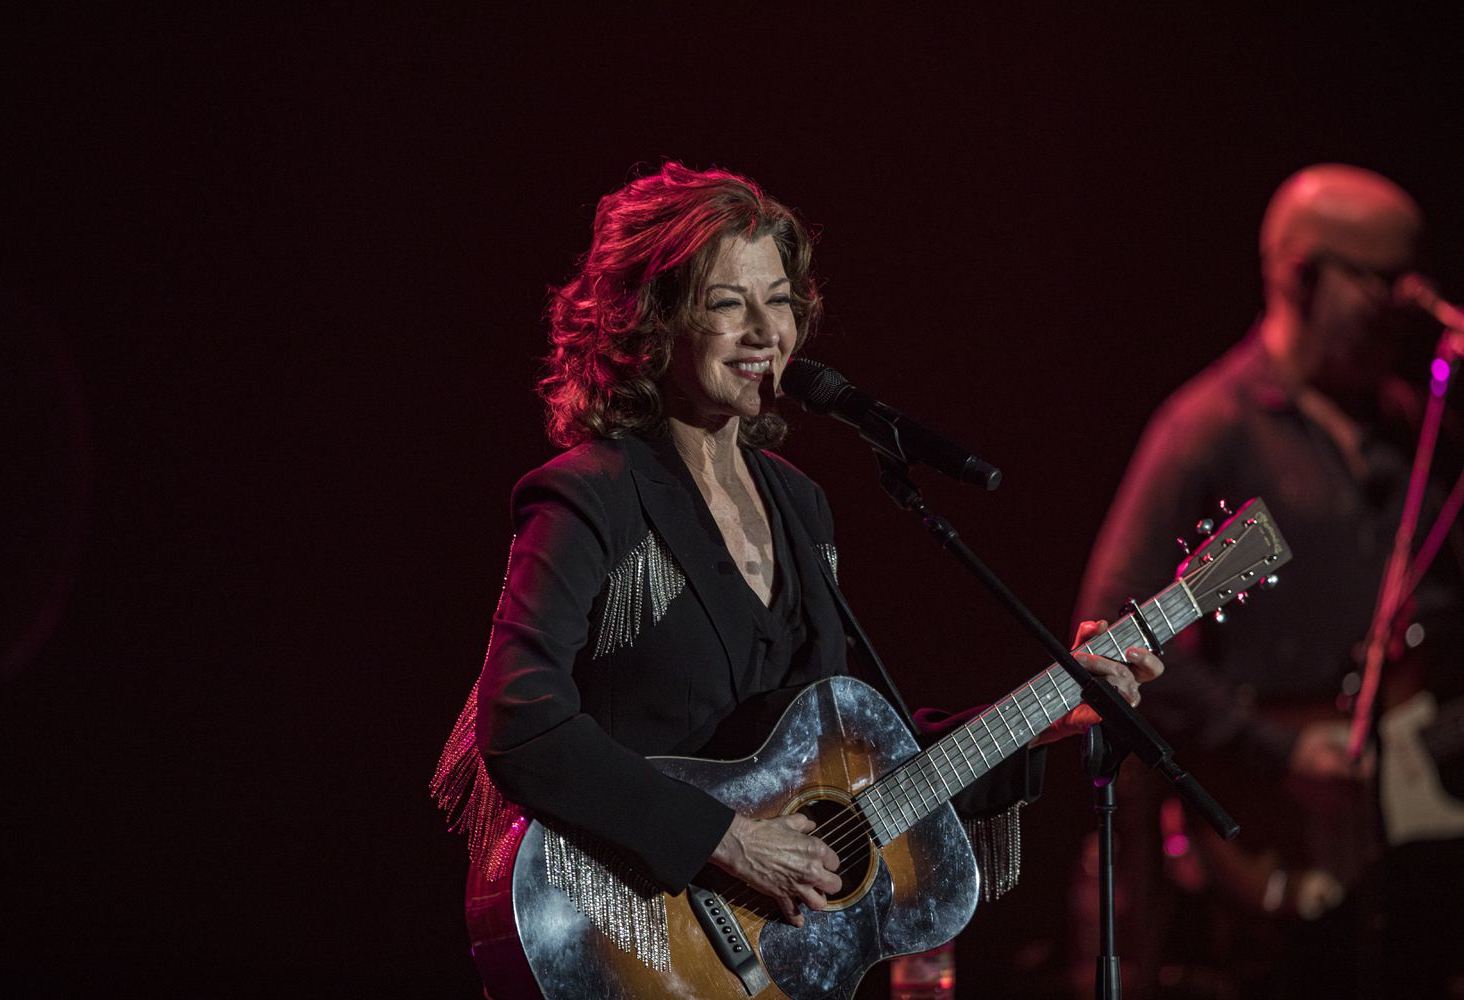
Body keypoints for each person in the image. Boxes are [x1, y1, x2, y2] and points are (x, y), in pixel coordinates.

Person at [430, 163, 1163, 973]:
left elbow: (854, 775)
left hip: (769, 965)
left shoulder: (801, 507)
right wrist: (728, 841)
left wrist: (1056, 712)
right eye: (725, 303)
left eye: (778, 300)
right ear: (649, 320)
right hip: (637, 948)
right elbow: (522, 721)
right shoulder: (589, 495)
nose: (764, 333)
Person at [1076, 163, 1464, 997]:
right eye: (1381, 284)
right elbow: (1112, 637)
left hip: (1409, 852)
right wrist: (1277, 749)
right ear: (1300, 274)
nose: (1404, 311)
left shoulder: (1411, 425)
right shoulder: (1208, 430)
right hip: (1267, 858)